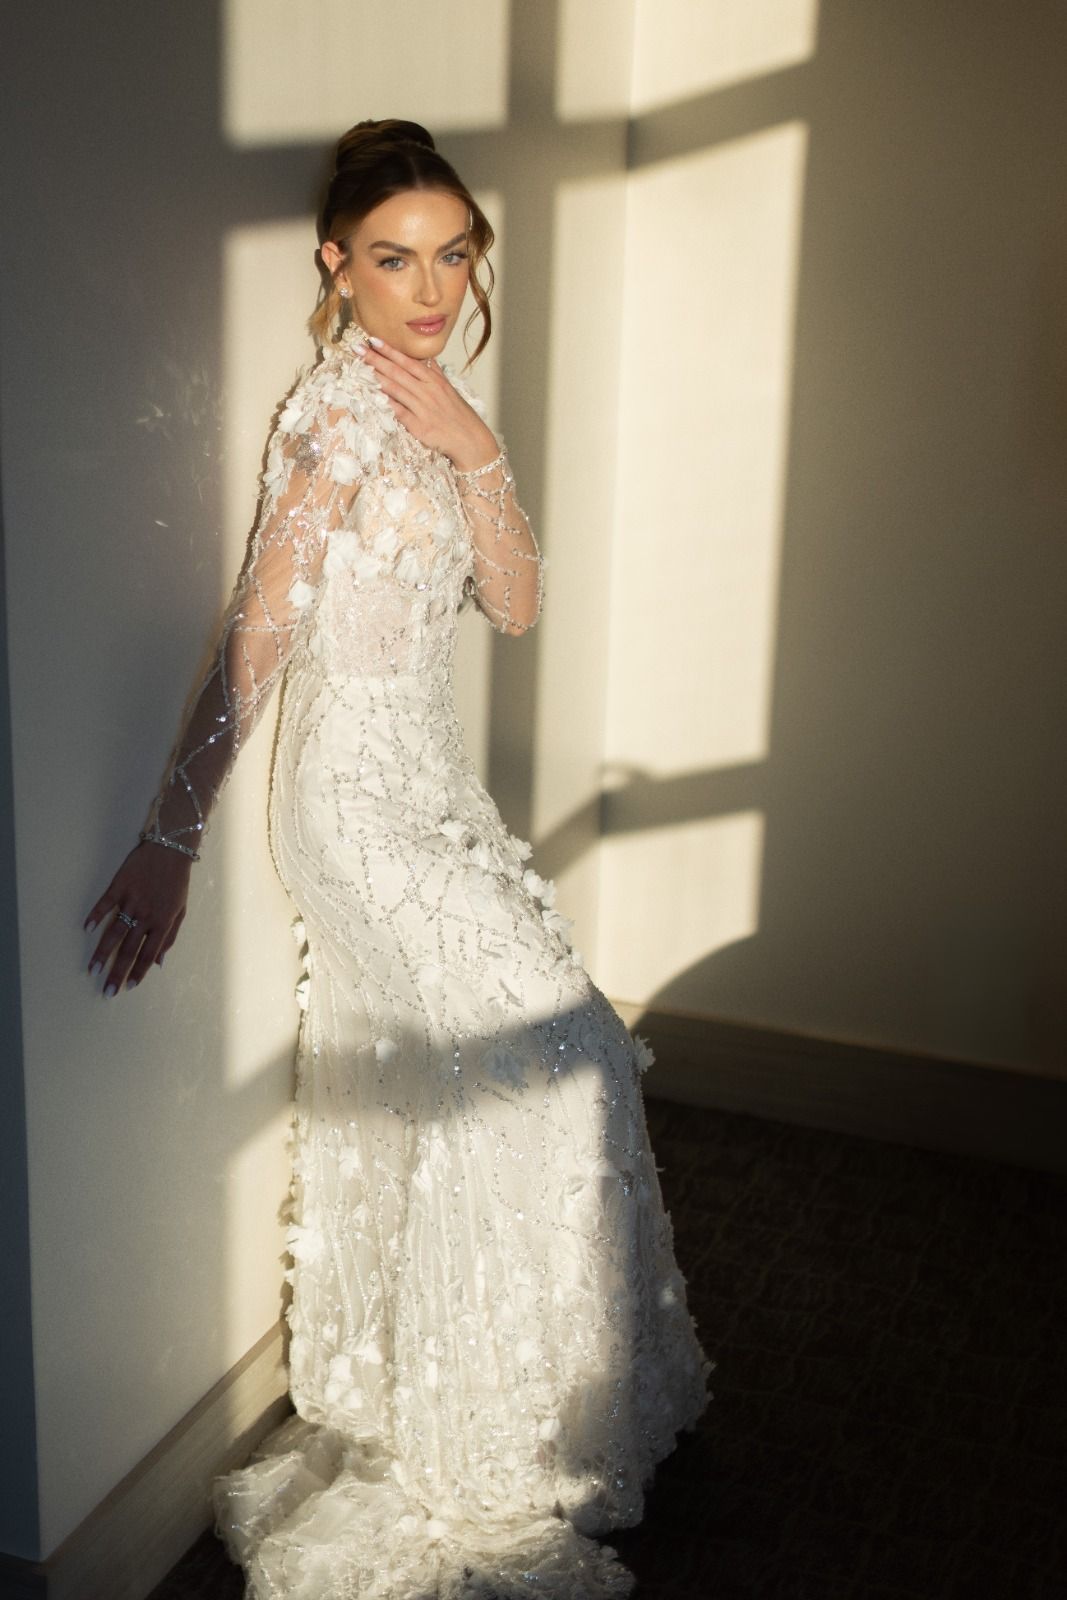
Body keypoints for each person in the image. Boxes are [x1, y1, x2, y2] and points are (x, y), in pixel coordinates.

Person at [84, 119, 714, 1599]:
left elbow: (516, 603)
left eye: (450, 257)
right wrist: (171, 837)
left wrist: (478, 449)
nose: (429, 291)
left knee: (503, 1079)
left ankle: (480, 1405)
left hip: (435, 790)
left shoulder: (438, 407)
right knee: (556, 1061)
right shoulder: (332, 424)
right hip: (353, 809)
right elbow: (258, 637)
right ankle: (480, 1447)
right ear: (337, 266)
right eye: (393, 259)